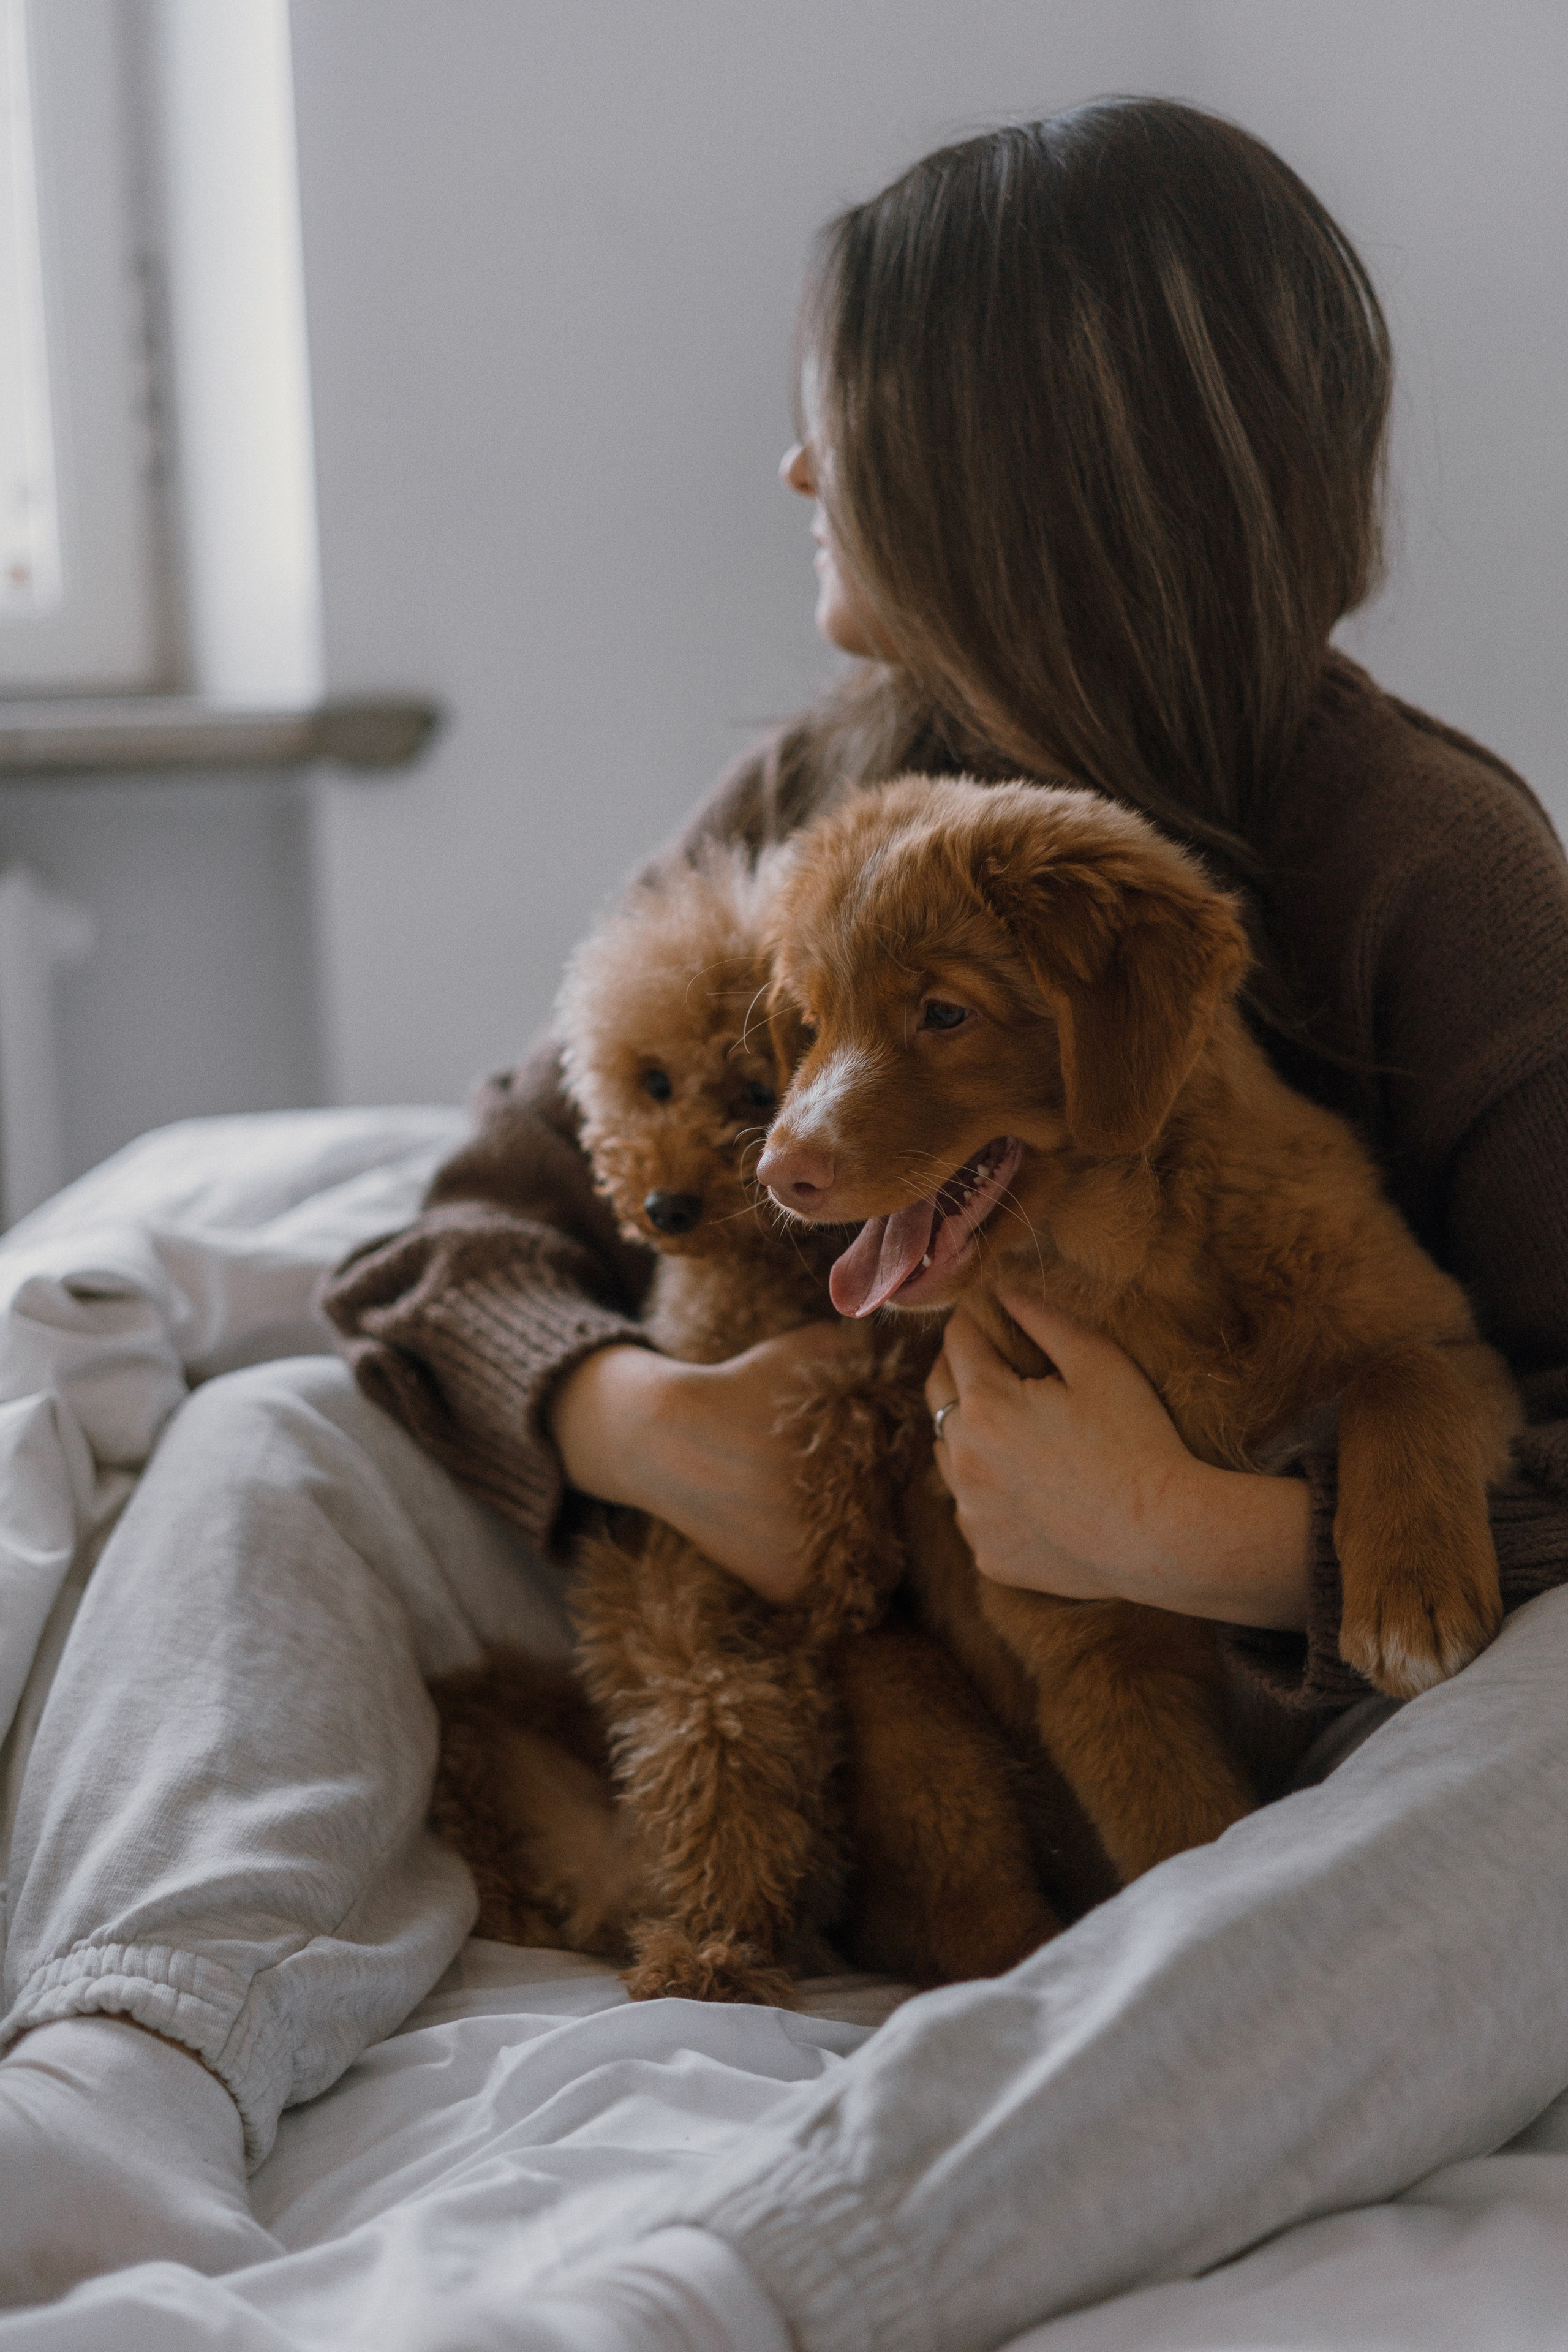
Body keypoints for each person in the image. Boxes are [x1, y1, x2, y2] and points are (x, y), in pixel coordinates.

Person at [3, 97, 1567, 2345]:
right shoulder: (816, 794)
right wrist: (643, 1423)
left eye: (834, 424)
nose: (794, 474)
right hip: (842, 1604)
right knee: (271, 1441)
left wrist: (1204, 1540)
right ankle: (128, 2067)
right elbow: (462, 1239)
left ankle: (768, 2272)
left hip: (1314, 1715)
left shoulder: (1437, 870)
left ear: (1012, 476)